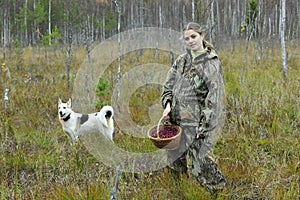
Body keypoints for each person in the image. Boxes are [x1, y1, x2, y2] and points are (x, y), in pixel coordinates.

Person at [161, 22, 226, 191]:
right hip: (176, 120)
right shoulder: (182, 61)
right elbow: (168, 86)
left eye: (193, 36)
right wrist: (167, 106)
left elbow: (214, 99)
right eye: (186, 38)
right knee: (174, 160)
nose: (190, 41)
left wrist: (203, 127)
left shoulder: (211, 63)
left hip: (197, 124)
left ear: (202, 36)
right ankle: (179, 191)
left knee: (201, 164)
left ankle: (218, 191)